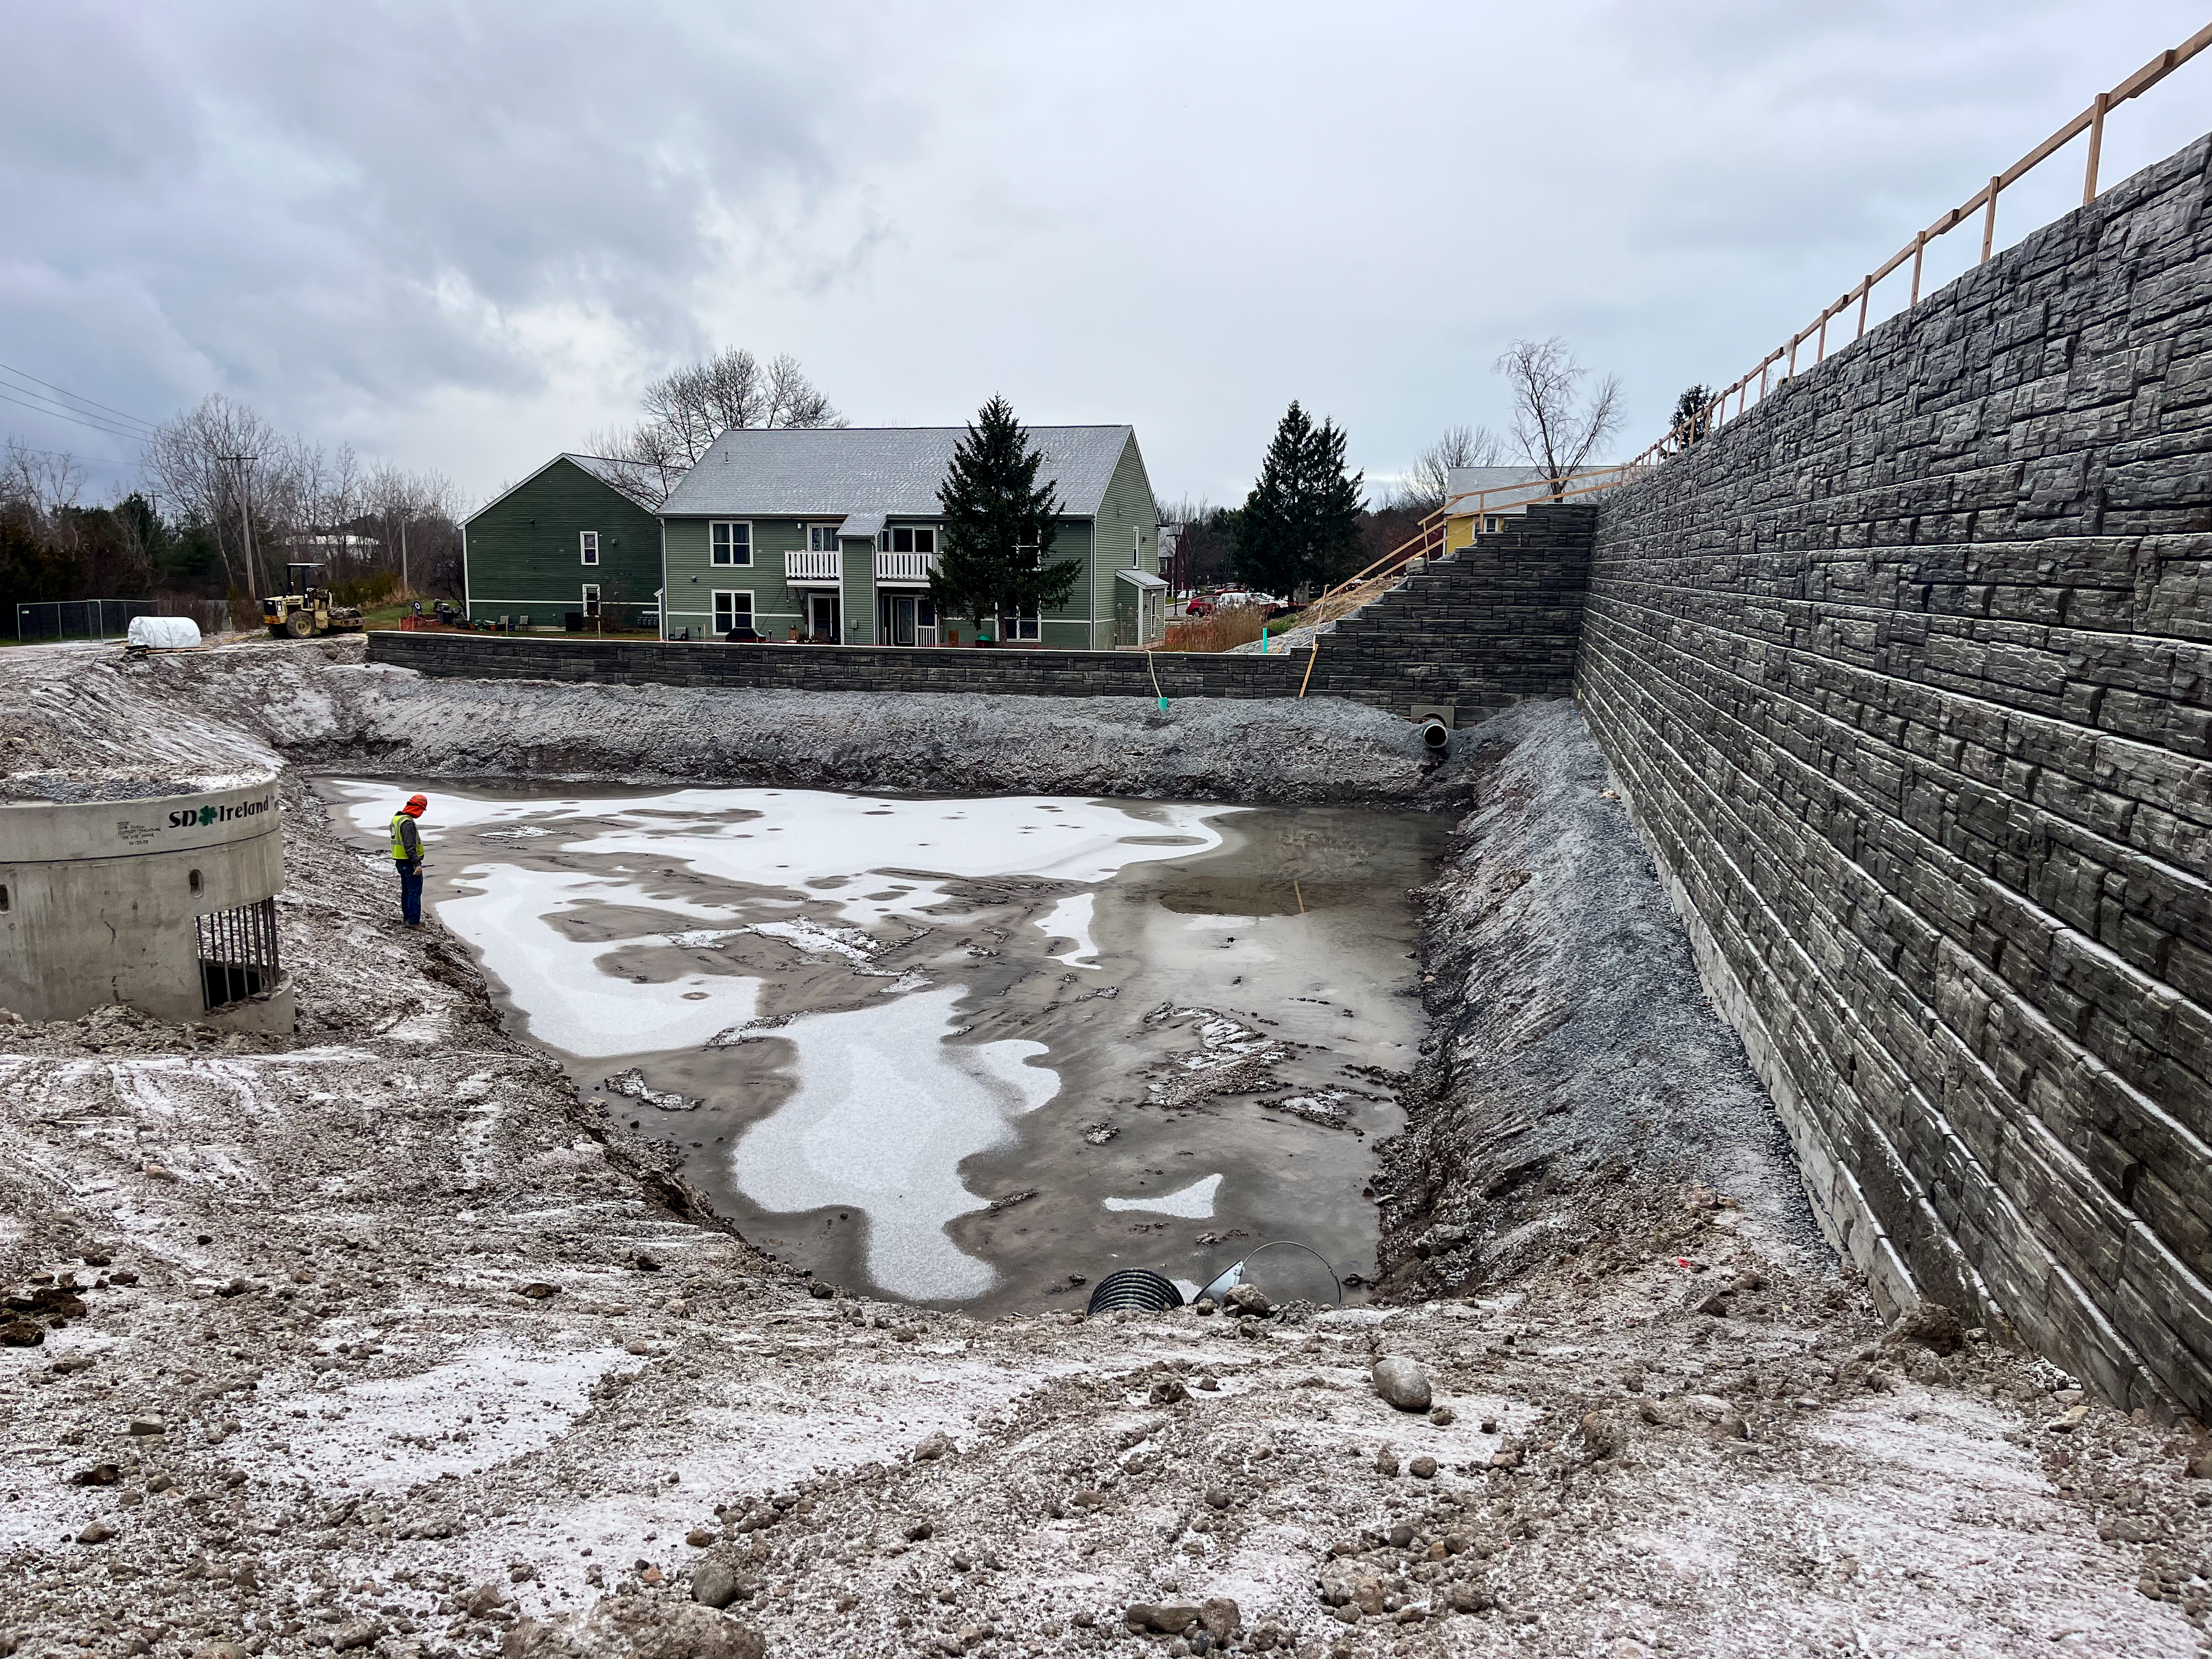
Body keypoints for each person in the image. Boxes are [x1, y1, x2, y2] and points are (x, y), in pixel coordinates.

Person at [389, 793, 428, 926]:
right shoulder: (407, 823)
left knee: (407, 891)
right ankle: (413, 921)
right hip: (409, 862)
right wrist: (417, 864)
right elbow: (409, 845)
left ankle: (407, 919)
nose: (421, 813)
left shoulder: (397, 819)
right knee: (414, 892)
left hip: (401, 861)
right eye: (422, 810)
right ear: (417, 808)